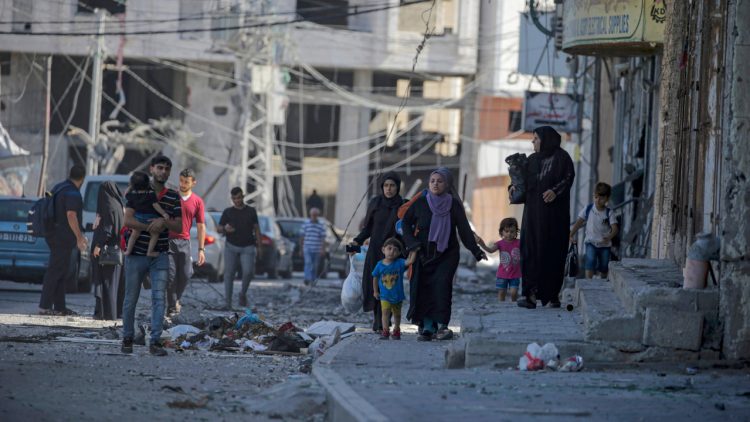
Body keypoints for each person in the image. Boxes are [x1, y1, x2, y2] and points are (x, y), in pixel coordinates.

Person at [402, 168, 486, 341]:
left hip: (446, 254)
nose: (435, 184)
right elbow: (405, 223)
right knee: (423, 289)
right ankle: (426, 327)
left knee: (441, 288)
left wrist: (476, 251)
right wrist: (412, 244)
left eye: (440, 181)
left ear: (447, 184)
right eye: (432, 181)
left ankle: (442, 326)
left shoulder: (453, 205)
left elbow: (464, 230)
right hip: (423, 253)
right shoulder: (421, 202)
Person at [121, 155, 182, 356]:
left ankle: (155, 341)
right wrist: (150, 226)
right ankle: (127, 337)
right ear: (152, 169)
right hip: (136, 254)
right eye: (160, 168)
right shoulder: (135, 192)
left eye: (167, 168)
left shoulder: (173, 196)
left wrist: (163, 223)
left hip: (160, 253)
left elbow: (179, 225)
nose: (163, 172)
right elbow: (127, 221)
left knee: (159, 299)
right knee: (131, 298)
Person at [512, 126, 575, 309]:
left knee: (553, 253)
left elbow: (569, 177)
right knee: (530, 252)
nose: (533, 142)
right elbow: (523, 185)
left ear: (547, 140)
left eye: (536, 138)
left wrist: (555, 191)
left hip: (555, 217)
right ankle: (530, 295)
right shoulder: (531, 160)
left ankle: (552, 295)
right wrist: (513, 189)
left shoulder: (562, 158)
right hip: (532, 217)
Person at [350, 171, 404, 332]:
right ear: (382, 187)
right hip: (375, 251)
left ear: (397, 187)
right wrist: (354, 244)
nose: (389, 189)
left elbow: (405, 230)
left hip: (393, 252)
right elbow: (368, 229)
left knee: (389, 286)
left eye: (392, 185)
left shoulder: (402, 205)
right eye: (386, 185)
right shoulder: (375, 203)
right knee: (373, 286)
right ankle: (378, 320)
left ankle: (386, 319)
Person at [38, 165, 87, 316]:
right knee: (55, 271)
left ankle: (60, 307)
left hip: (52, 233)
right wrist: (80, 237)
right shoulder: (73, 192)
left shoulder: (59, 187)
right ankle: (44, 306)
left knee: (61, 270)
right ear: (82, 178)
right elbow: (71, 215)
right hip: (62, 237)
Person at [167, 168, 206, 315]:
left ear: (193, 183)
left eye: (186, 182)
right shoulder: (171, 197)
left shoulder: (197, 201)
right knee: (170, 275)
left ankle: (176, 299)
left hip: (184, 242)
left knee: (185, 274)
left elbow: (201, 226)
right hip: (168, 241)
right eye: (181, 181)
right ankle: (171, 306)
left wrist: (201, 250)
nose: (183, 184)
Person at [217, 187, 261, 310]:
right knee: (229, 274)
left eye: (239, 197)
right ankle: (228, 303)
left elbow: (257, 229)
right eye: (235, 198)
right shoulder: (228, 212)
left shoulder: (251, 211)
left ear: (243, 196)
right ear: (232, 199)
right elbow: (219, 228)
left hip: (248, 246)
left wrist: (260, 246)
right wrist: (225, 228)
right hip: (231, 246)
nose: (237, 200)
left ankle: (242, 293)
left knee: (248, 272)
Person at [569, 182, 619, 279]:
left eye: (601, 198)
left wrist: (609, 237)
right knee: (590, 262)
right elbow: (579, 222)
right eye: (596, 197)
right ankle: (589, 282)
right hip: (590, 242)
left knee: (604, 266)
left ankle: (603, 280)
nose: (598, 200)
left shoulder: (609, 212)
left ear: (607, 198)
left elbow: (615, 229)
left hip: (604, 245)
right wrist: (571, 234)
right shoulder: (588, 209)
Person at [91, 181, 125, 320]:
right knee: (114, 284)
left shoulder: (108, 207)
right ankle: (113, 312)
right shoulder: (118, 206)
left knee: (107, 283)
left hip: (107, 251)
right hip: (117, 251)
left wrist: (98, 245)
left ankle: (107, 314)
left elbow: (107, 230)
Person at [124, 171, 170, 257]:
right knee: (155, 234)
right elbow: (156, 205)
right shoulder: (150, 193)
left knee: (134, 234)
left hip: (138, 218)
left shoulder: (132, 194)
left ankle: (128, 251)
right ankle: (150, 252)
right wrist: (164, 214)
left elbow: (125, 194)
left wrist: (130, 187)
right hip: (149, 218)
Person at [475, 217, 522, 302]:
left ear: (516, 232)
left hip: (515, 274)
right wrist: (481, 243)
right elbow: (490, 250)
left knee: (514, 292)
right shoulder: (500, 244)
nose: (509, 234)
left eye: (512, 232)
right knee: (501, 293)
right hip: (502, 274)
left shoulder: (519, 243)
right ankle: (502, 308)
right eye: (506, 231)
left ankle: (514, 306)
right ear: (501, 232)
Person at [372, 238, 407, 340]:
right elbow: (375, 277)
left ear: (399, 252)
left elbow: (410, 261)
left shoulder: (400, 263)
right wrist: (375, 291)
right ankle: (385, 331)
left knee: (397, 314)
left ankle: (396, 330)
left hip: (397, 295)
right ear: (383, 250)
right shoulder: (379, 265)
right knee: (385, 312)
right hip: (385, 295)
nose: (392, 251)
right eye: (389, 248)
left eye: (395, 249)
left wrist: (413, 250)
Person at [301, 207, 327, 285]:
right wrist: (301, 248)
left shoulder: (321, 225)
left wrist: (322, 249)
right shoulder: (306, 224)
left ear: (317, 215)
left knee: (315, 266)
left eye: (316, 215)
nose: (314, 216)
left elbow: (323, 238)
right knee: (308, 263)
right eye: (313, 215)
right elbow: (302, 237)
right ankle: (307, 278)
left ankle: (313, 279)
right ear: (310, 215)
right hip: (307, 247)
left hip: (317, 249)